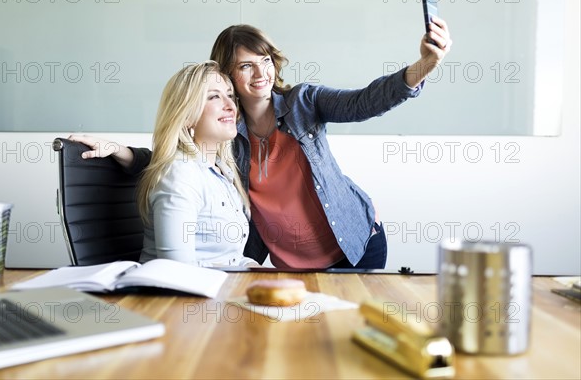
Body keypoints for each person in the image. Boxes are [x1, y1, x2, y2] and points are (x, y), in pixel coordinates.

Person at [71, 19, 452, 269]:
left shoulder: (304, 102)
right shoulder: (224, 134)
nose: (261, 73)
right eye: (246, 66)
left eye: (265, 60)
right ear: (228, 75)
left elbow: (365, 101)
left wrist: (424, 65)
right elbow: (176, 158)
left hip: (355, 245)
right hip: (290, 264)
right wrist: (120, 152)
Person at [135, 61, 257, 267]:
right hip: (181, 297)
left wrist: (266, 275)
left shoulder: (222, 171)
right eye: (214, 96)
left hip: (221, 291)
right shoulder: (180, 173)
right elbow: (178, 271)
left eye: (229, 95)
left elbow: (231, 259)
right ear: (187, 116)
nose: (231, 106)